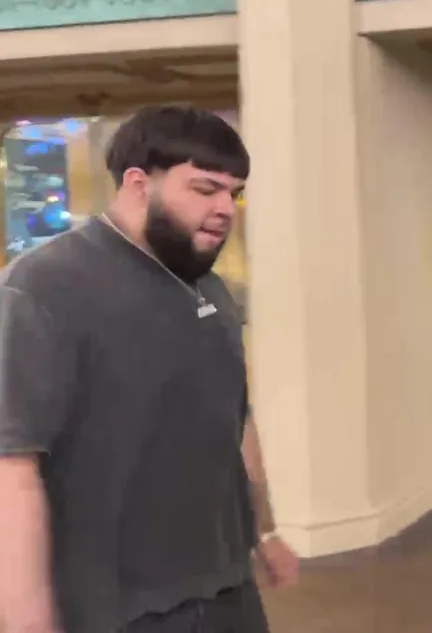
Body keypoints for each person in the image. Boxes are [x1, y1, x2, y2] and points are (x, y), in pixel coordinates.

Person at [0, 107, 299, 633]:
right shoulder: (43, 289)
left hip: (227, 593)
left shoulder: (209, 288)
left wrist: (265, 531)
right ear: (139, 183)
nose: (225, 208)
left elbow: (235, 418)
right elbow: (12, 468)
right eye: (204, 189)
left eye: (233, 193)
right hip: (116, 610)